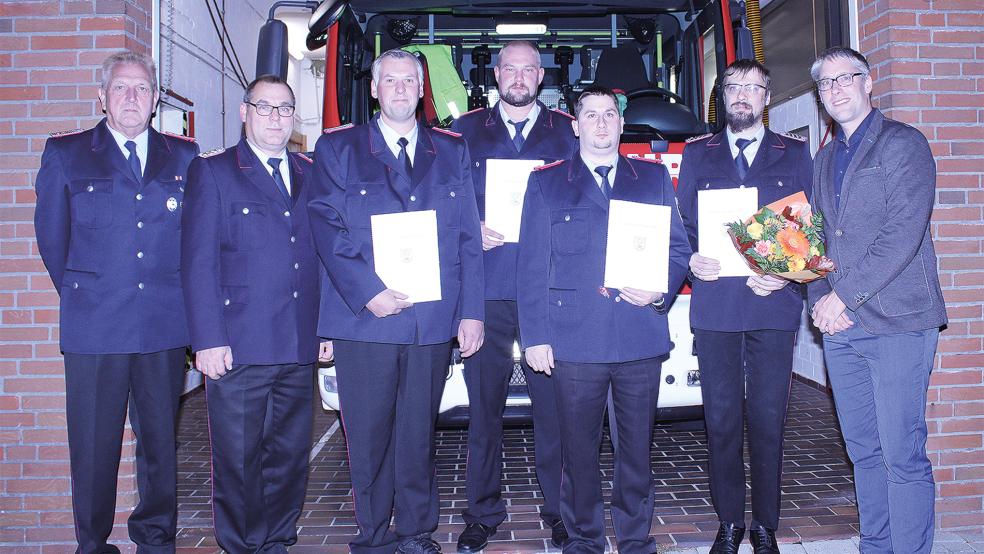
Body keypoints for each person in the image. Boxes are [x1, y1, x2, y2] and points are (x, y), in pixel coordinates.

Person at [308, 48, 485, 554]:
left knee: (417, 434)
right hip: (365, 320)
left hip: (430, 322)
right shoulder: (338, 148)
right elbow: (326, 226)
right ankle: (373, 536)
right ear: (374, 88)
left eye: (410, 80)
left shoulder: (451, 150)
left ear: (423, 89)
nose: (401, 88)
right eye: (391, 80)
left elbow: (467, 235)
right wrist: (370, 292)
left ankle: (415, 532)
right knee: (367, 436)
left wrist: (471, 311)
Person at [34, 50, 198, 553]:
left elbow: (193, 242)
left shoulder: (184, 157)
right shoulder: (67, 153)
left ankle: (155, 541)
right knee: (93, 447)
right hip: (95, 328)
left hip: (162, 328)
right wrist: (91, 294)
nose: (132, 97)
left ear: (155, 99)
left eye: (142, 88)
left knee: (159, 446)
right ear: (102, 97)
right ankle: (93, 544)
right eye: (121, 88)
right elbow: (53, 241)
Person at [517, 86, 691, 554]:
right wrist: (535, 337)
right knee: (578, 452)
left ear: (621, 123)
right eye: (590, 115)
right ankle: (584, 540)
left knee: (635, 451)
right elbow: (531, 267)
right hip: (574, 341)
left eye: (609, 114)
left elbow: (678, 250)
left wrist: (661, 290)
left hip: (638, 336)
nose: (600, 123)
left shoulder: (652, 178)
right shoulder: (546, 183)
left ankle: (635, 539)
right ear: (575, 125)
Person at [808, 46, 947, 554]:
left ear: (868, 83)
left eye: (847, 78)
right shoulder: (824, 159)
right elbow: (817, 238)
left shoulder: (903, 143)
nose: (836, 88)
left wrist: (842, 297)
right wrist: (820, 299)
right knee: (864, 452)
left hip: (899, 323)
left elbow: (902, 233)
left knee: (901, 454)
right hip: (842, 329)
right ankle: (876, 546)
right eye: (826, 83)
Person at [180, 75, 326, 553]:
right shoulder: (214, 171)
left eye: (285, 109)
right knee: (239, 458)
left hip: (298, 341)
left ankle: (278, 537)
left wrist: (325, 328)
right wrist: (207, 339)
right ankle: (243, 544)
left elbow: (321, 256)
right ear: (244, 112)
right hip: (238, 344)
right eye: (264, 107)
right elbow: (198, 261)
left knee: (289, 454)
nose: (275, 118)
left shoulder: (310, 171)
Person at [675, 59, 813, 554]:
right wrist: (691, 260)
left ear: (767, 98)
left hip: (771, 307)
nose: (742, 95)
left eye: (753, 88)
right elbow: (682, 227)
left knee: (769, 420)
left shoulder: (794, 153)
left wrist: (786, 274)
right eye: (733, 86)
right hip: (716, 308)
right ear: (722, 95)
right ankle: (730, 522)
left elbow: (807, 227)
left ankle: (765, 526)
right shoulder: (698, 153)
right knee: (721, 421)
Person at [449, 40, 576, 552]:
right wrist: (468, 227)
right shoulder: (462, 132)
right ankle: (481, 514)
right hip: (487, 291)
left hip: (549, 292)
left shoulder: (568, 131)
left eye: (528, 70)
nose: (519, 78)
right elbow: (445, 201)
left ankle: (561, 511)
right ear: (496, 75)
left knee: (556, 412)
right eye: (510, 69)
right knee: (484, 412)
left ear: (541, 77)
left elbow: (584, 200)